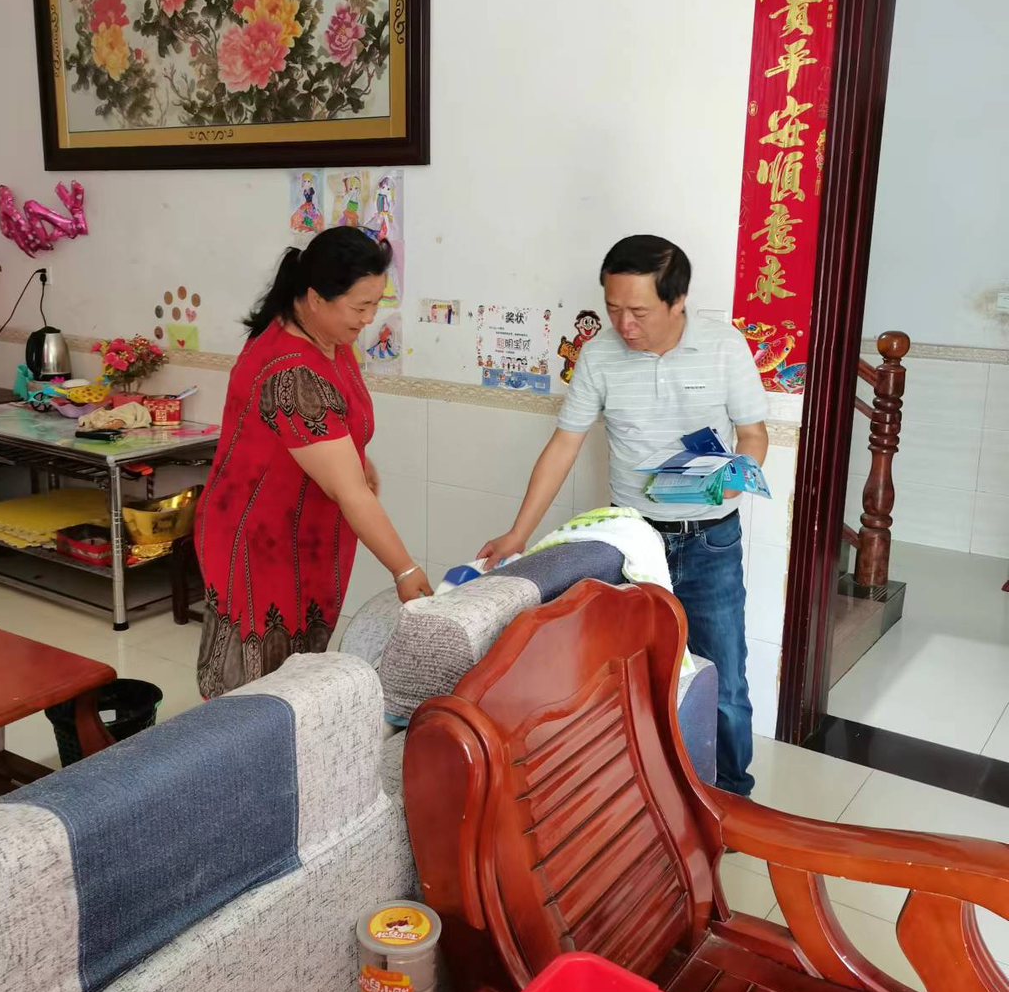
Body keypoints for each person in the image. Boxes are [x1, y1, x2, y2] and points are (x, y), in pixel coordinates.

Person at [479, 235, 768, 795]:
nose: (624, 325)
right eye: (613, 308)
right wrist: (518, 533)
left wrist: (733, 479)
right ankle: (650, 792)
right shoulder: (599, 354)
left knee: (723, 676)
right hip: (632, 539)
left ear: (677, 300)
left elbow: (753, 436)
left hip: (709, 540)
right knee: (632, 673)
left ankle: (731, 798)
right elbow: (564, 445)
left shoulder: (723, 347)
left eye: (639, 311)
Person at [195, 228, 431, 698]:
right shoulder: (293, 371)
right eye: (360, 306)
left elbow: (327, 431)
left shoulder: (327, 336)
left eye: (375, 304)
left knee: (298, 672)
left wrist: (355, 458)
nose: (369, 318)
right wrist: (404, 570)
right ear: (316, 297)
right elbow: (347, 491)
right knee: (259, 681)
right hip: (262, 542)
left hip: (304, 532)